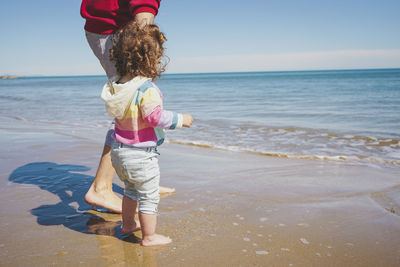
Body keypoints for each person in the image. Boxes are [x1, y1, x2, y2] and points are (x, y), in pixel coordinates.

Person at [102, 21, 194, 246]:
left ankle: (128, 224)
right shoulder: (146, 89)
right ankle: (149, 237)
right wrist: (181, 119)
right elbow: (154, 117)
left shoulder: (119, 85)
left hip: (119, 152)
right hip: (141, 155)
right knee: (149, 196)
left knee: (131, 190)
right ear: (152, 60)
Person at [81, 0, 175, 213]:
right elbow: (143, 5)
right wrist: (145, 49)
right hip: (116, 30)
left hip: (112, 27)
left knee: (137, 103)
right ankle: (101, 188)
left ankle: (141, 180)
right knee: (132, 107)